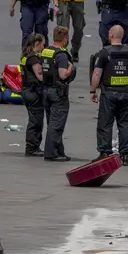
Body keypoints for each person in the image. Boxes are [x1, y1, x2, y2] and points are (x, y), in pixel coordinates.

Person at [90, 24, 128, 165]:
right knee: (125, 124)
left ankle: (105, 153)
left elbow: (97, 73)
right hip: (125, 93)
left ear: (110, 35)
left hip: (109, 93)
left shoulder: (105, 52)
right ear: (122, 36)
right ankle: (127, 155)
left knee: (105, 124)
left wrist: (93, 90)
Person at [41, 26, 75, 162]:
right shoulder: (61, 54)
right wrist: (71, 68)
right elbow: (62, 74)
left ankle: (59, 150)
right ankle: (51, 152)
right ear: (65, 38)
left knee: (51, 122)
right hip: (58, 92)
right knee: (57, 124)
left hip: (46, 89)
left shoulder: (47, 51)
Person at [19, 33, 47, 157]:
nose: (44, 47)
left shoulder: (25, 57)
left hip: (26, 90)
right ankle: (32, 147)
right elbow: (40, 76)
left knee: (34, 119)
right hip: (33, 92)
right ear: (38, 44)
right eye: (43, 44)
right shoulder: (34, 59)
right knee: (36, 121)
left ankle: (32, 147)